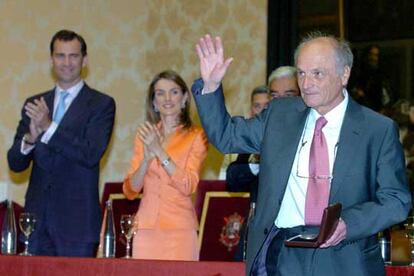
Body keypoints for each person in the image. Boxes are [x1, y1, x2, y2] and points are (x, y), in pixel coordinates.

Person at [192, 33, 411, 275]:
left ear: (344, 74)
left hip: (345, 259)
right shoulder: (279, 115)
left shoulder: (377, 129)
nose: (306, 84)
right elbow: (226, 135)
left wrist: (349, 224)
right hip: (282, 256)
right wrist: (211, 86)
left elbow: (396, 201)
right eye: (302, 73)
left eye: (317, 73)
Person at [7, 29, 116, 257]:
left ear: (84, 60)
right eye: (60, 56)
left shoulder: (101, 104)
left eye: (73, 56)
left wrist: (50, 127)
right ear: (51, 60)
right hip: (35, 224)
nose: (67, 62)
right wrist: (30, 139)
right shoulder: (35, 104)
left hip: (77, 226)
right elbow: (15, 164)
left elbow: (90, 153)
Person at [123, 70, 208, 261]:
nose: (167, 98)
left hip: (180, 231)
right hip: (145, 230)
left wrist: (159, 152)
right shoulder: (145, 135)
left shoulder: (197, 136)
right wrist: (146, 160)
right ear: (153, 101)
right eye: (160, 93)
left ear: (185, 98)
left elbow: (188, 185)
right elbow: (130, 190)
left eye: (174, 92)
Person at [226, 85, 269, 261]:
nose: (261, 111)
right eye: (257, 106)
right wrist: (256, 163)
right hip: (254, 225)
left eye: (266, 106)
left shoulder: (290, 137)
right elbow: (233, 180)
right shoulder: (250, 141)